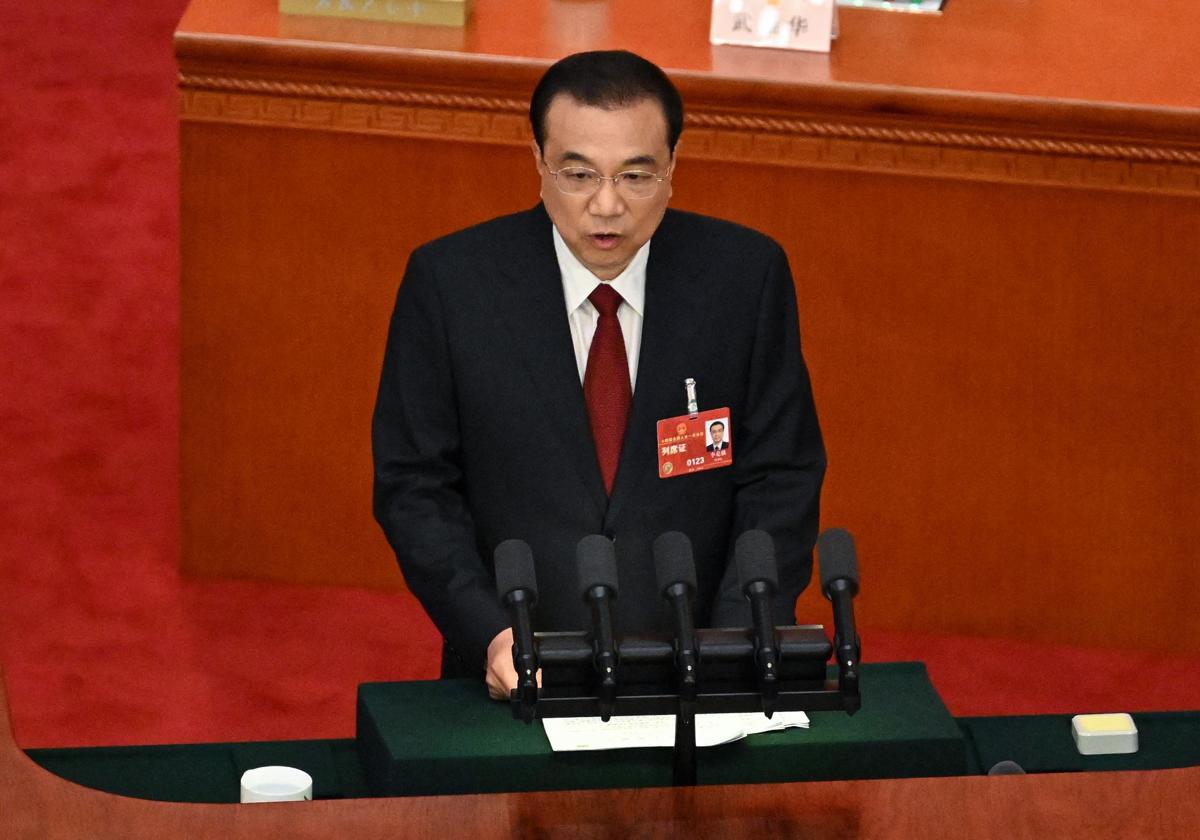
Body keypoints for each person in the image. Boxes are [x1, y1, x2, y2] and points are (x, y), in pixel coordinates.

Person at [372, 50, 825, 700]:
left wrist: (736, 640)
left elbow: (780, 475)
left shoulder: (744, 280)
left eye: (636, 176)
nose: (607, 206)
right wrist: (488, 632)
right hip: (515, 672)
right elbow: (414, 485)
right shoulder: (451, 285)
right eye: (578, 174)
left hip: (704, 671)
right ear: (539, 162)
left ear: (672, 166)